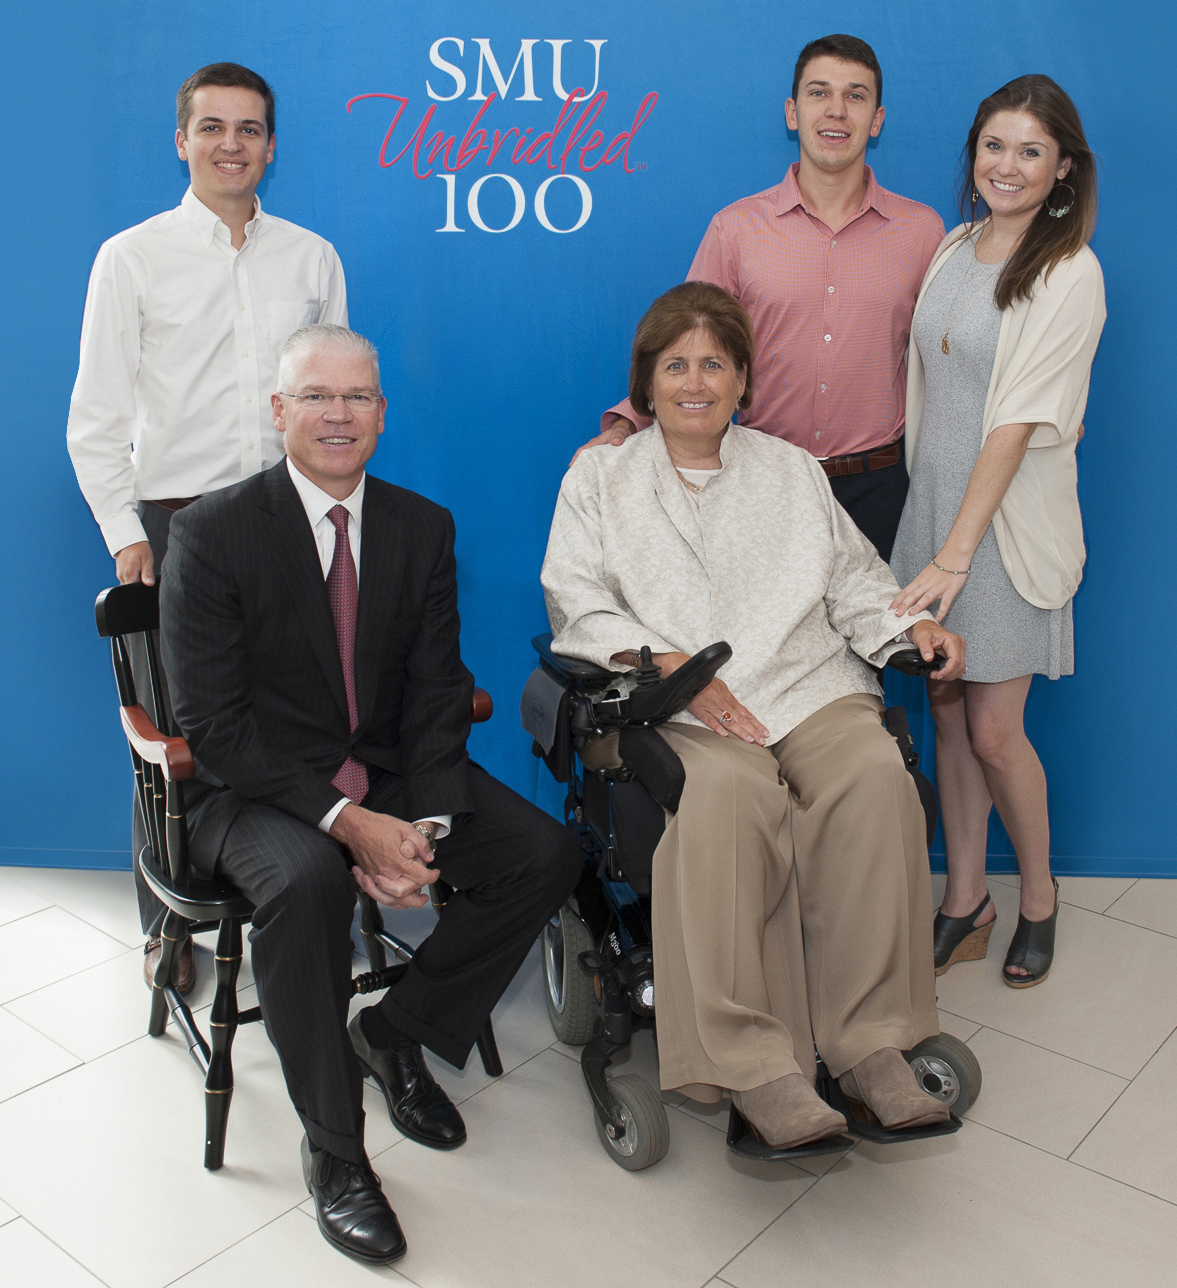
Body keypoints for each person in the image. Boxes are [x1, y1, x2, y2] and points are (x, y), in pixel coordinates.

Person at [160, 324, 580, 1266]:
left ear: (383, 415)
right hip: (256, 788)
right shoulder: (213, 532)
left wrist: (420, 827)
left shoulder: (421, 527)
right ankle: (337, 1154)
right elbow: (216, 727)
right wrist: (352, 828)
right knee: (310, 882)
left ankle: (394, 1030)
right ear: (280, 412)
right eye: (316, 396)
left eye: (357, 398)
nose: (338, 415)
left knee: (543, 854)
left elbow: (437, 689)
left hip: (389, 770)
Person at [542, 282, 965, 1149]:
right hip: (677, 705)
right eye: (674, 366)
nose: (693, 381)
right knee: (730, 799)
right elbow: (573, 599)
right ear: (646, 382)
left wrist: (908, 623)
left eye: (713, 364)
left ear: (742, 381)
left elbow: (854, 581)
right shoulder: (601, 477)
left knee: (873, 779)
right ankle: (752, 1066)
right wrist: (664, 663)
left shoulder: (789, 470)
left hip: (804, 684)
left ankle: (870, 1044)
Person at [66, 62, 347, 991]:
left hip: (287, 514)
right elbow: (96, 419)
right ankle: (169, 925)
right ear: (181, 140)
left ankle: (299, 897)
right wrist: (125, 533)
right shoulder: (132, 257)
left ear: (272, 144)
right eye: (213, 127)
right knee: (181, 731)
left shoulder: (311, 257)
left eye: (251, 129)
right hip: (177, 522)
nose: (233, 144)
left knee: (298, 716)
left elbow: (331, 404)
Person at [889, 76, 1105, 989]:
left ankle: (1041, 897)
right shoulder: (952, 245)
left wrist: (953, 554)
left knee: (992, 732)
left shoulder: (1069, 270)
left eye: (1028, 150)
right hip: (931, 513)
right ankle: (963, 900)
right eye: (992, 146)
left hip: (997, 536)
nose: (1005, 166)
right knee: (942, 714)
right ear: (971, 156)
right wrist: (930, 535)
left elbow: (1012, 426)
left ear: (1061, 168)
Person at [574, 34, 945, 560]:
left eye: (855, 95)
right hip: (759, 479)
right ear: (793, 112)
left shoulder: (923, 232)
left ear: (877, 118)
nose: (836, 110)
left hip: (880, 490)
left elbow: (951, 360)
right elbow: (686, 343)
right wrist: (625, 423)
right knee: (755, 641)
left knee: (876, 640)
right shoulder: (736, 230)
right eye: (819, 93)